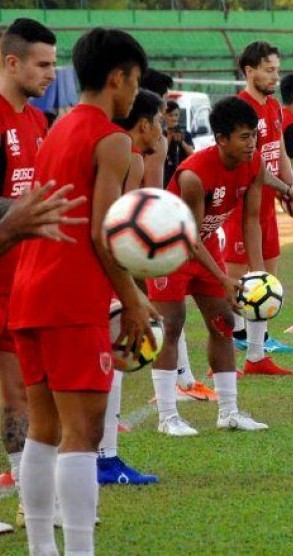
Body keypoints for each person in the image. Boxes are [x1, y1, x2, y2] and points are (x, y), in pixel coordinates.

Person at [10, 27, 155, 555]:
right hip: (72, 299)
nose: (136, 93)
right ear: (117, 77)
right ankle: (78, 550)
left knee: (43, 429)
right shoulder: (111, 137)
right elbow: (102, 232)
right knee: (83, 434)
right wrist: (134, 300)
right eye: (135, 82)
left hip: (30, 293)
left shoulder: (57, 127)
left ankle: (42, 550)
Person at [147, 96, 293, 436]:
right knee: (171, 324)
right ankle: (168, 417)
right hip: (170, 249)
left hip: (206, 245)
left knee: (224, 323)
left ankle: (229, 412)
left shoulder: (254, 163)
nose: (252, 144)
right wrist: (223, 278)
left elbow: (252, 222)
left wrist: (256, 276)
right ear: (221, 139)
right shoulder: (193, 177)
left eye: (255, 136)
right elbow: (188, 237)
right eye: (244, 137)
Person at [0, 16, 54, 535]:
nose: (50, 74)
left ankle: (24, 499)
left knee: (19, 395)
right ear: (11, 62)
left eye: (54, 64)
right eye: (42, 64)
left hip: (20, 282)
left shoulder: (36, 122)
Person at [97, 89, 164, 487]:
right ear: (143, 124)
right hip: (101, 272)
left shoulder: (122, 152)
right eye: (159, 119)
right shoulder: (129, 157)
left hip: (96, 269)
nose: (163, 127)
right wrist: (132, 294)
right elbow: (119, 231)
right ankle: (104, 459)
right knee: (113, 361)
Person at [222, 40, 293, 374]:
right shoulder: (239, 110)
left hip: (266, 206)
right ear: (249, 70)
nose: (275, 77)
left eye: (277, 70)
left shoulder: (275, 108)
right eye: (269, 71)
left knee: (267, 281)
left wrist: (292, 188)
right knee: (235, 287)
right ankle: (221, 359)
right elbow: (253, 164)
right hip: (240, 208)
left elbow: (278, 153)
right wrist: (288, 191)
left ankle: (256, 356)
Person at [163, 99, 195, 186]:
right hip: (165, 177)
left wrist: (182, 142)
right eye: (170, 115)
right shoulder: (161, 134)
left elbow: (192, 155)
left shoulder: (185, 134)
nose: (174, 118)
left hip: (181, 175)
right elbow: (161, 155)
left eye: (176, 115)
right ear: (164, 116)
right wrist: (169, 135)